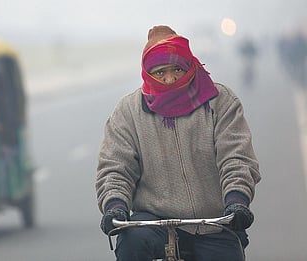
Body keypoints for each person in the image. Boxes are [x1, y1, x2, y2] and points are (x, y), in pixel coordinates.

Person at [96, 25, 261, 261]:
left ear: (190, 66)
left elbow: (236, 158)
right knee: (131, 243)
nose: (170, 78)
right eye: (160, 72)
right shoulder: (128, 111)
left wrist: (237, 201)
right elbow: (115, 167)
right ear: (147, 73)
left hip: (213, 223)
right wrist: (115, 205)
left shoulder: (220, 102)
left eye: (177, 69)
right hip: (152, 222)